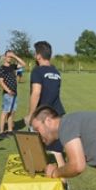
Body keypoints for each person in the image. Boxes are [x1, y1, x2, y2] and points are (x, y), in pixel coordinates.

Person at [26, 41, 66, 171]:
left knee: (36, 151)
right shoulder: (56, 72)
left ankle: (41, 184)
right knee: (57, 151)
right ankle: (64, 186)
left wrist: (31, 115)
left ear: (38, 56)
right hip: (58, 114)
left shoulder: (37, 71)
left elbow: (36, 92)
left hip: (44, 118)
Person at [0, 50, 26, 138]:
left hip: (14, 92)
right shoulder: (1, 68)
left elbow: (24, 64)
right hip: (8, 93)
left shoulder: (13, 66)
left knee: (12, 112)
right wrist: (8, 91)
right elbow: (1, 82)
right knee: (5, 112)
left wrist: (14, 56)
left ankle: (10, 130)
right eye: (8, 56)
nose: (9, 58)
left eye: (10, 57)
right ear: (5, 57)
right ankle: (1, 132)